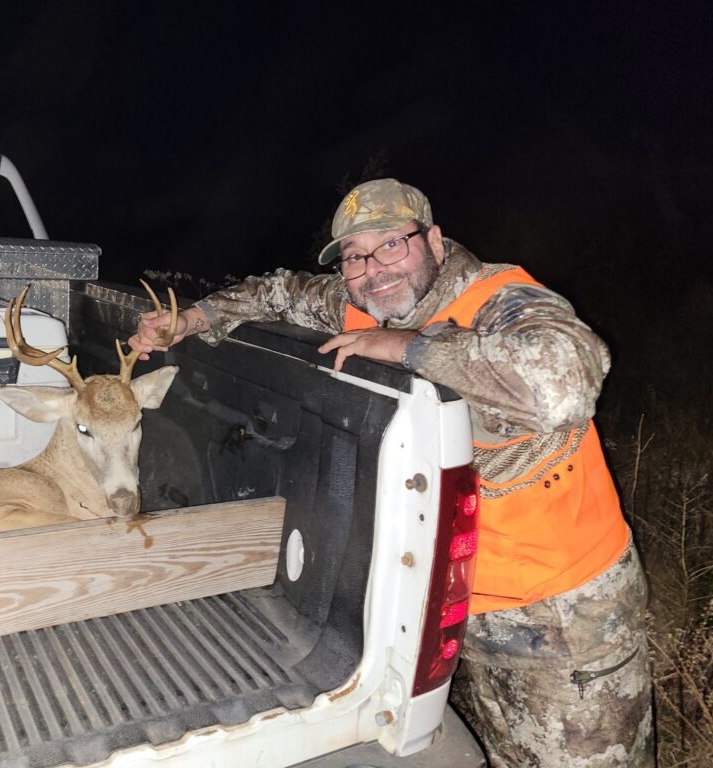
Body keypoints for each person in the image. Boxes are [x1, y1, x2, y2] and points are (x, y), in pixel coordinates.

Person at [129, 178, 654, 767]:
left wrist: (407, 347)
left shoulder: (501, 298)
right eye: (354, 256)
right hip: (458, 608)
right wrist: (195, 318)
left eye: (390, 245)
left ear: (433, 239)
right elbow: (276, 293)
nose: (373, 268)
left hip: (561, 614)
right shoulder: (358, 298)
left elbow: (564, 383)